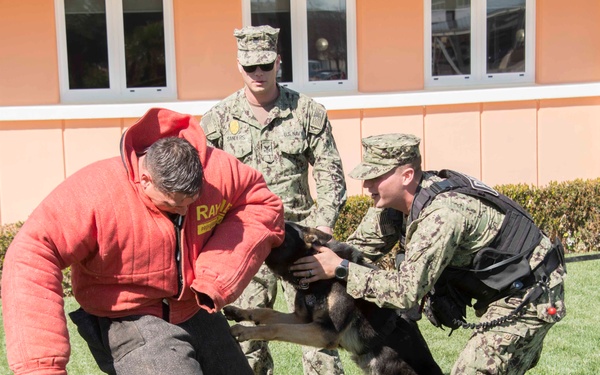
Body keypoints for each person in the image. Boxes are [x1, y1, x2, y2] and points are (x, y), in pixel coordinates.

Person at [1, 107, 285, 375]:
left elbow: (260, 203)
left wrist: (215, 275)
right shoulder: (95, 193)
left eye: (192, 203)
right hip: (128, 314)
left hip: (192, 304)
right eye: (174, 205)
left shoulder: (218, 171)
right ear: (145, 180)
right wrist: (41, 366)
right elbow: (32, 254)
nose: (185, 211)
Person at [291, 133, 567, 375]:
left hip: (531, 295)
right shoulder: (393, 206)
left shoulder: (442, 215)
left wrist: (340, 269)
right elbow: (355, 250)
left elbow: (405, 291)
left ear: (407, 176)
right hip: (504, 290)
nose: (367, 186)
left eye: (375, 177)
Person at [200, 25, 347, 375]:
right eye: (251, 67)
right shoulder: (217, 120)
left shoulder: (307, 112)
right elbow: (202, 184)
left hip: (297, 244)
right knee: (248, 340)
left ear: (278, 61)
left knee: (318, 341)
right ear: (239, 66)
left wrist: (322, 227)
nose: (259, 74)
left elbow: (331, 175)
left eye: (266, 65)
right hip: (245, 242)